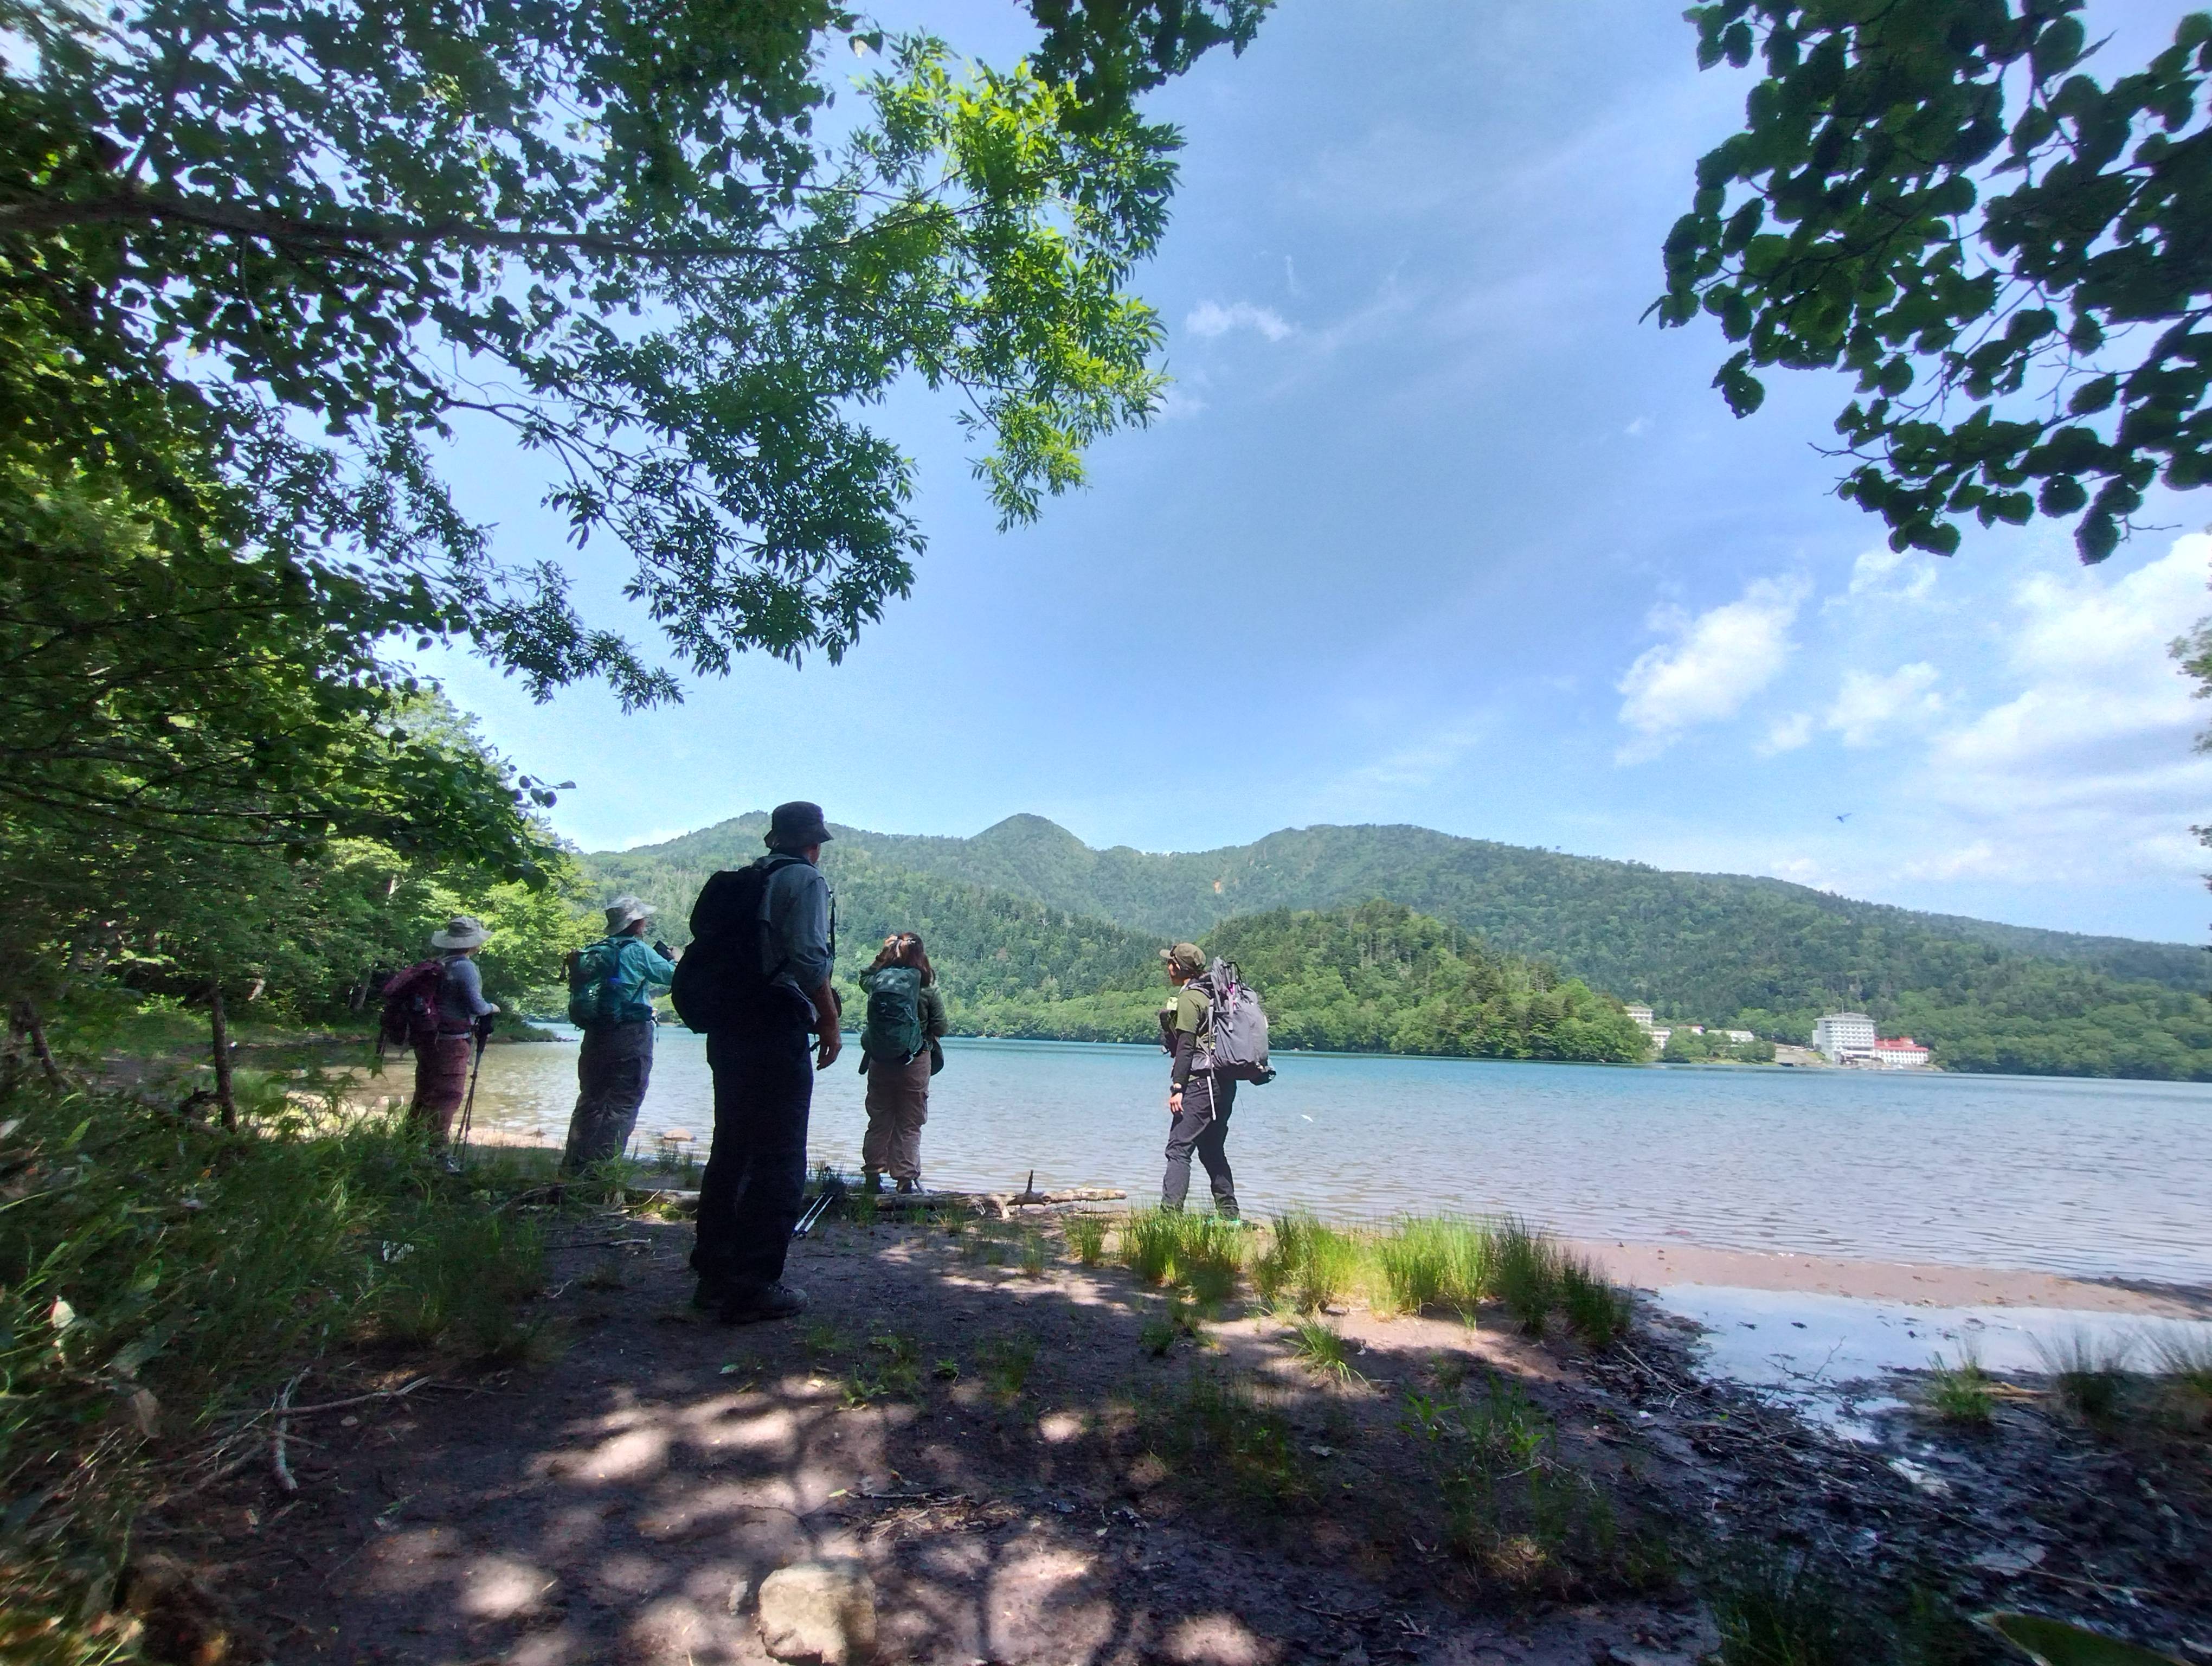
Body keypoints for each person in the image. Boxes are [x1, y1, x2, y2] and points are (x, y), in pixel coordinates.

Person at [688, 801, 840, 1324]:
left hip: (729, 1025)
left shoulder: (748, 879)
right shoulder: (806, 881)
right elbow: (808, 958)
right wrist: (830, 1019)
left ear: (774, 838)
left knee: (732, 1148)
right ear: (815, 843)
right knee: (778, 1156)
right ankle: (754, 1285)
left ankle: (713, 1276)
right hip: (774, 1026)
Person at [560, 895, 677, 1173]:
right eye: (643, 919)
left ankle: (573, 1166)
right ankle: (602, 1171)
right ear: (636, 924)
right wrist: (676, 960)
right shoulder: (639, 951)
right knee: (624, 1100)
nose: (645, 923)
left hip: (595, 1034)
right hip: (631, 1034)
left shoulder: (595, 950)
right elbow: (675, 977)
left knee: (591, 1097)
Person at [858, 933, 949, 1194]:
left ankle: (873, 1178)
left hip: (880, 1060)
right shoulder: (927, 985)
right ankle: (905, 1181)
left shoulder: (877, 981)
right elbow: (941, 1026)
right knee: (910, 1123)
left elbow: (863, 978)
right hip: (915, 1061)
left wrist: (882, 955)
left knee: (879, 1119)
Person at [1159, 941, 1238, 1218]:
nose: (1167, 968)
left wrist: (1178, 1087)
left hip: (1200, 1083)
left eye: (1170, 963)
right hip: (1225, 1084)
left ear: (1180, 968)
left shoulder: (1189, 999)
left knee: (1178, 1148)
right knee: (1212, 1149)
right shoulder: (1213, 995)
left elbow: (1186, 1046)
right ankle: (1230, 1217)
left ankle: (1169, 1218)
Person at [408, 915, 498, 1149]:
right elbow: (477, 1006)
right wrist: (492, 1008)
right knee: (448, 1095)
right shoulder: (465, 967)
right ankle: (437, 1151)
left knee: (425, 1092)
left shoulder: (439, 964)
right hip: (452, 1042)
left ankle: (410, 1146)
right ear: (472, 943)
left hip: (428, 1040)